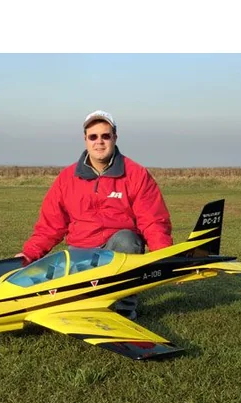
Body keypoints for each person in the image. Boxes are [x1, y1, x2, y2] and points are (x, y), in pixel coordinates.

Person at [15, 110, 172, 320]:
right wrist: (28, 254)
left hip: (118, 251)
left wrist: (166, 258)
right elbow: (50, 225)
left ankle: (125, 308)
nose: (99, 142)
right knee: (72, 308)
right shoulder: (67, 178)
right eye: (93, 136)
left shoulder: (136, 174)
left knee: (128, 239)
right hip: (81, 252)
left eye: (105, 136)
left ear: (115, 138)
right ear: (85, 139)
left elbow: (152, 220)